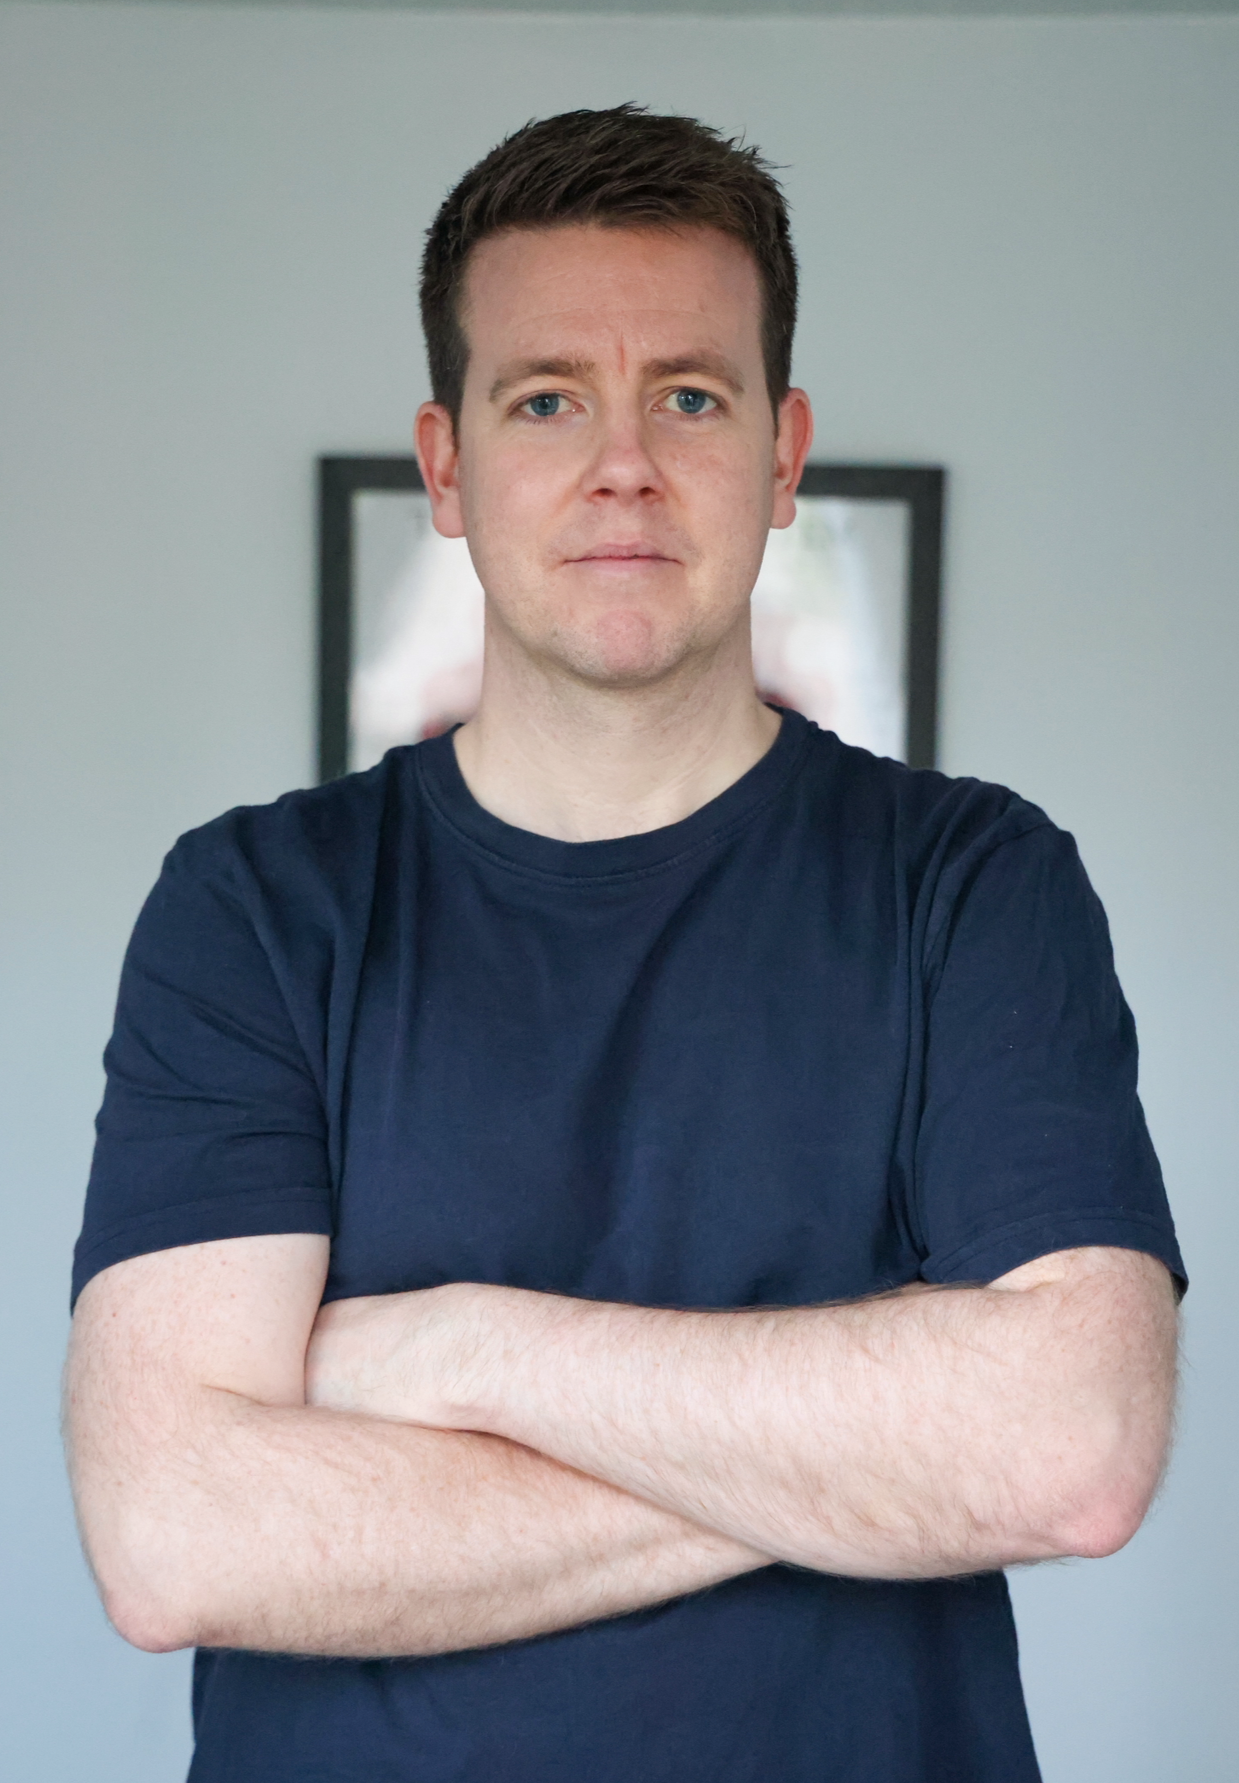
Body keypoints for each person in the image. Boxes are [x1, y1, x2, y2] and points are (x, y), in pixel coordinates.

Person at [65, 106, 1184, 1783]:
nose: (622, 463)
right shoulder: (251, 909)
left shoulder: (974, 881)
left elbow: (1068, 1445)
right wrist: (857, 1451)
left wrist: (455, 1350)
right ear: (445, 468)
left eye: (688, 392)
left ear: (781, 450)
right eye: (543, 399)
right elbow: (175, 1537)